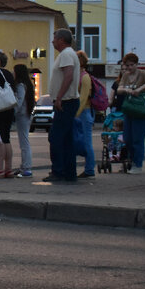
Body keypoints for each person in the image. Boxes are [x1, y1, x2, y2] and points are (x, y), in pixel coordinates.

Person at [45, 29, 80, 183]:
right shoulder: (69, 53)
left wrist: (59, 97)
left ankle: (58, 171)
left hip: (65, 101)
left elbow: (68, 75)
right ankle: (69, 172)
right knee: (66, 138)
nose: (52, 41)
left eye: (54, 38)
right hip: (67, 100)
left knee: (56, 137)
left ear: (61, 39)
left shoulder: (66, 54)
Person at [111, 52, 145, 174]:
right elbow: (119, 89)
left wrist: (139, 89)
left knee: (138, 139)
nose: (129, 68)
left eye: (132, 65)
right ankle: (132, 159)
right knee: (127, 138)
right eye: (127, 65)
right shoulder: (125, 76)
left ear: (136, 64)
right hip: (129, 109)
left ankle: (138, 164)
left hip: (140, 110)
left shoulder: (143, 73)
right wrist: (127, 90)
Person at [72, 50, 95, 178]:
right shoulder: (78, 75)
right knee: (79, 141)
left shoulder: (85, 77)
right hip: (80, 112)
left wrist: (76, 114)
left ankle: (90, 169)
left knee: (86, 142)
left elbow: (83, 98)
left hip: (84, 113)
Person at [12, 64, 36, 177]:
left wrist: (13, 112)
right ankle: (24, 166)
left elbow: (19, 101)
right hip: (26, 114)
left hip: (22, 115)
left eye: (14, 71)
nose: (13, 73)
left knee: (24, 142)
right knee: (24, 141)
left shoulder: (20, 85)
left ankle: (27, 167)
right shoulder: (28, 84)